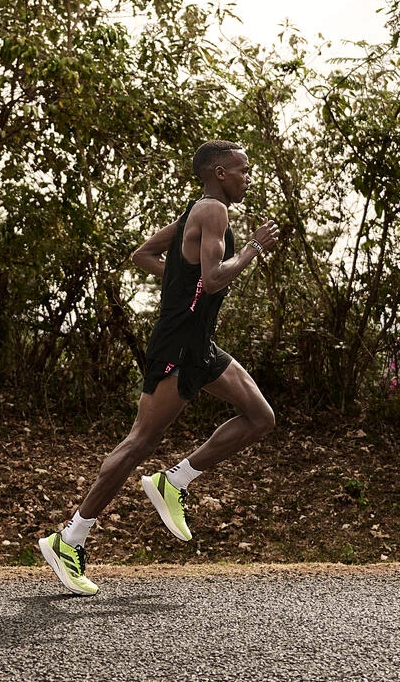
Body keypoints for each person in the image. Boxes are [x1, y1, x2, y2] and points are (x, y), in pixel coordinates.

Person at [39, 139, 279, 595]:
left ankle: (175, 482)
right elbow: (211, 281)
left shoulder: (197, 210)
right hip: (180, 345)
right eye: (243, 169)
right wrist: (250, 250)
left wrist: (180, 283)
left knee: (260, 416)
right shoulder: (214, 212)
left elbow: (143, 255)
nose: (248, 176)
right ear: (220, 173)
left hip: (198, 341)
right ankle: (69, 537)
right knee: (139, 442)